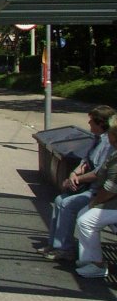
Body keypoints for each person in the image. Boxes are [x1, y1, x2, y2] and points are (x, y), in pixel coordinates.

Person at [38, 105, 115, 261]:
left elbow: (98, 173)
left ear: (101, 123)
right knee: (60, 200)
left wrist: (78, 179)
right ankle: (54, 244)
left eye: (91, 121)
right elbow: (86, 161)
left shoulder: (108, 144)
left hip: (98, 191)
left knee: (68, 204)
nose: (89, 124)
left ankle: (65, 249)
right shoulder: (97, 139)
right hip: (89, 187)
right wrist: (74, 173)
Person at [74, 114, 117, 279]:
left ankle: (97, 265)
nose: (109, 136)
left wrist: (95, 202)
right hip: (110, 200)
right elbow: (100, 172)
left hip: (111, 201)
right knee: (82, 214)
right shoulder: (114, 153)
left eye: (111, 133)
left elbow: (111, 189)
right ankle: (89, 260)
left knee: (86, 220)